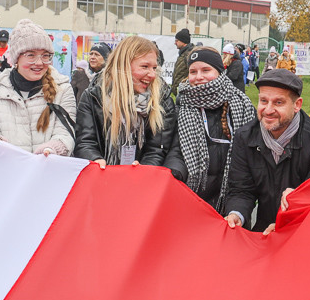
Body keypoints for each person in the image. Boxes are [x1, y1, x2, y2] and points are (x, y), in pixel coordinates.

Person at [223, 68, 310, 234]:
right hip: (263, 233)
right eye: (263, 101)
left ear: (297, 105)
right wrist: (236, 214)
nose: (268, 110)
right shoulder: (245, 136)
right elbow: (241, 190)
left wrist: (285, 225)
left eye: (278, 102)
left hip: (304, 232)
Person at [75, 35, 180, 173]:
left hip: (141, 181)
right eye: (145, 67)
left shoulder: (162, 100)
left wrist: (143, 168)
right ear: (123, 66)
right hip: (102, 177)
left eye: (154, 67)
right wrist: (95, 160)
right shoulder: (93, 97)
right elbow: (85, 142)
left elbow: (157, 149)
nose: (152, 74)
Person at [176, 47, 256, 211]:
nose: (199, 77)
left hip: (234, 199)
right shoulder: (181, 107)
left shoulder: (242, 104)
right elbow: (175, 151)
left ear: (220, 72)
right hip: (193, 198)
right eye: (193, 71)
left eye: (206, 70)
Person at [0, 20, 76, 155]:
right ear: (16, 59)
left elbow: (65, 134)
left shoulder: (63, 90)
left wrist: (54, 148)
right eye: (31, 55)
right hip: (11, 170)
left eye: (45, 55)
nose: (39, 63)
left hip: (50, 170)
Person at [171, 28, 194, 97]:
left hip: (185, 93)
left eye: (177, 41)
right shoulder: (183, 53)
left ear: (183, 41)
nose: (175, 43)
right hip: (180, 93)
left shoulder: (189, 54)